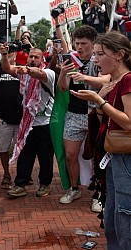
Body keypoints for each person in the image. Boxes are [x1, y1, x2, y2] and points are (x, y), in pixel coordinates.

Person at [70, 31, 131, 250]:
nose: (95, 60)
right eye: (94, 54)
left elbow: (129, 123)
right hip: (114, 155)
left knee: (125, 216)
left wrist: (98, 100)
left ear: (119, 55)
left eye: (100, 54)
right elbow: (107, 119)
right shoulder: (117, 81)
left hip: (125, 157)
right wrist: (99, 102)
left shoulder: (128, 79)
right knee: (114, 215)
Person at [57, 25, 109, 206]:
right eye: (77, 43)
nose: (79, 47)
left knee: (99, 155)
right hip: (74, 114)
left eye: (84, 43)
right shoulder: (71, 60)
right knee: (70, 155)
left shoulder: (100, 60)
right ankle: (74, 188)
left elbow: (105, 81)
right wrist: (63, 73)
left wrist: (84, 77)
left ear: (93, 43)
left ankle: (99, 193)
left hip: (96, 113)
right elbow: (63, 88)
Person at [0, 45, 56, 198]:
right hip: (27, 123)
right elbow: (7, 68)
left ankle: (45, 184)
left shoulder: (48, 73)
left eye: (36, 57)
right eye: (30, 56)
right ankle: (20, 184)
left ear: (42, 60)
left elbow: (40, 74)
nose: (32, 59)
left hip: (45, 123)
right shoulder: (24, 72)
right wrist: (4, 54)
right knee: (25, 154)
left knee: (45, 156)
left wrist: (28, 70)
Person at [0, 46, 22, 190]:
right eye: (4, 53)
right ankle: (6, 174)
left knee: (22, 149)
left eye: (10, 52)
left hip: (21, 117)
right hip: (2, 117)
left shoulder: (21, 70)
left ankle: (22, 175)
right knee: (3, 148)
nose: (7, 55)